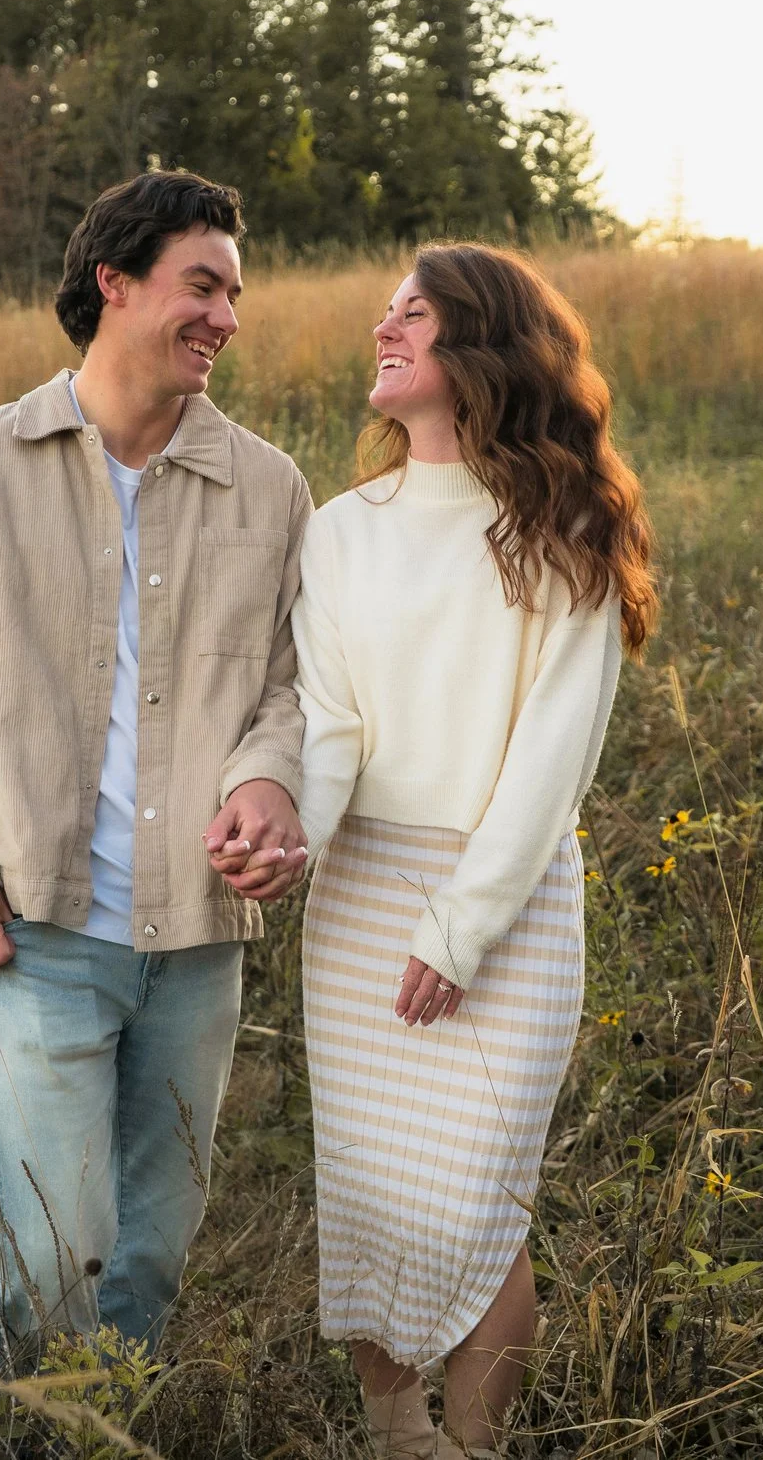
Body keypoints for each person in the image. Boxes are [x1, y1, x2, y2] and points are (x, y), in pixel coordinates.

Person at [0, 170, 313, 1372]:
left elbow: (293, 687)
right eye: (201, 284)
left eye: (234, 292)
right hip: (36, 930)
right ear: (113, 281)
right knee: (52, 1257)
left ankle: (111, 1428)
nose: (226, 315)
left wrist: (268, 781)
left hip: (196, 941)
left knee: (151, 1258)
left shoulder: (269, 490)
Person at [282, 244, 656, 1457]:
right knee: (374, 1197)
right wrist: (291, 837)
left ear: (482, 346)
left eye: (415, 314)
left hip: (507, 895)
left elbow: (552, 756)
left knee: (480, 1207)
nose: (383, 330)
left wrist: (459, 925)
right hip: (357, 901)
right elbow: (329, 725)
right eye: (381, 311)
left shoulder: (565, 523)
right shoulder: (342, 529)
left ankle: (472, 1448)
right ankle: (398, 1437)